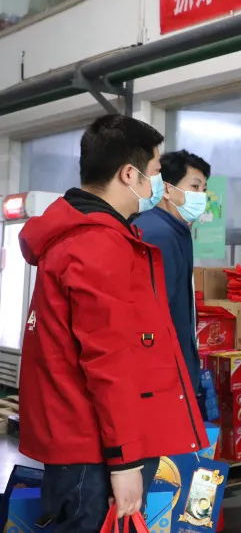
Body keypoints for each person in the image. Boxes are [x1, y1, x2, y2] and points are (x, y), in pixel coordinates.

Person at [18, 115, 207, 532]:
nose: (157, 184)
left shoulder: (83, 235)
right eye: (155, 171)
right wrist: (125, 460)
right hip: (94, 450)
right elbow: (110, 363)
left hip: (79, 441)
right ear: (129, 174)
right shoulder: (98, 244)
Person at [133, 149, 211, 419]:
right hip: (161, 375)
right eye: (195, 187)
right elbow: (153, 313)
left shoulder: (174, 230)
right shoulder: (159, 234)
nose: (201, 195)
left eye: (204, 189)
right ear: (167, 189)